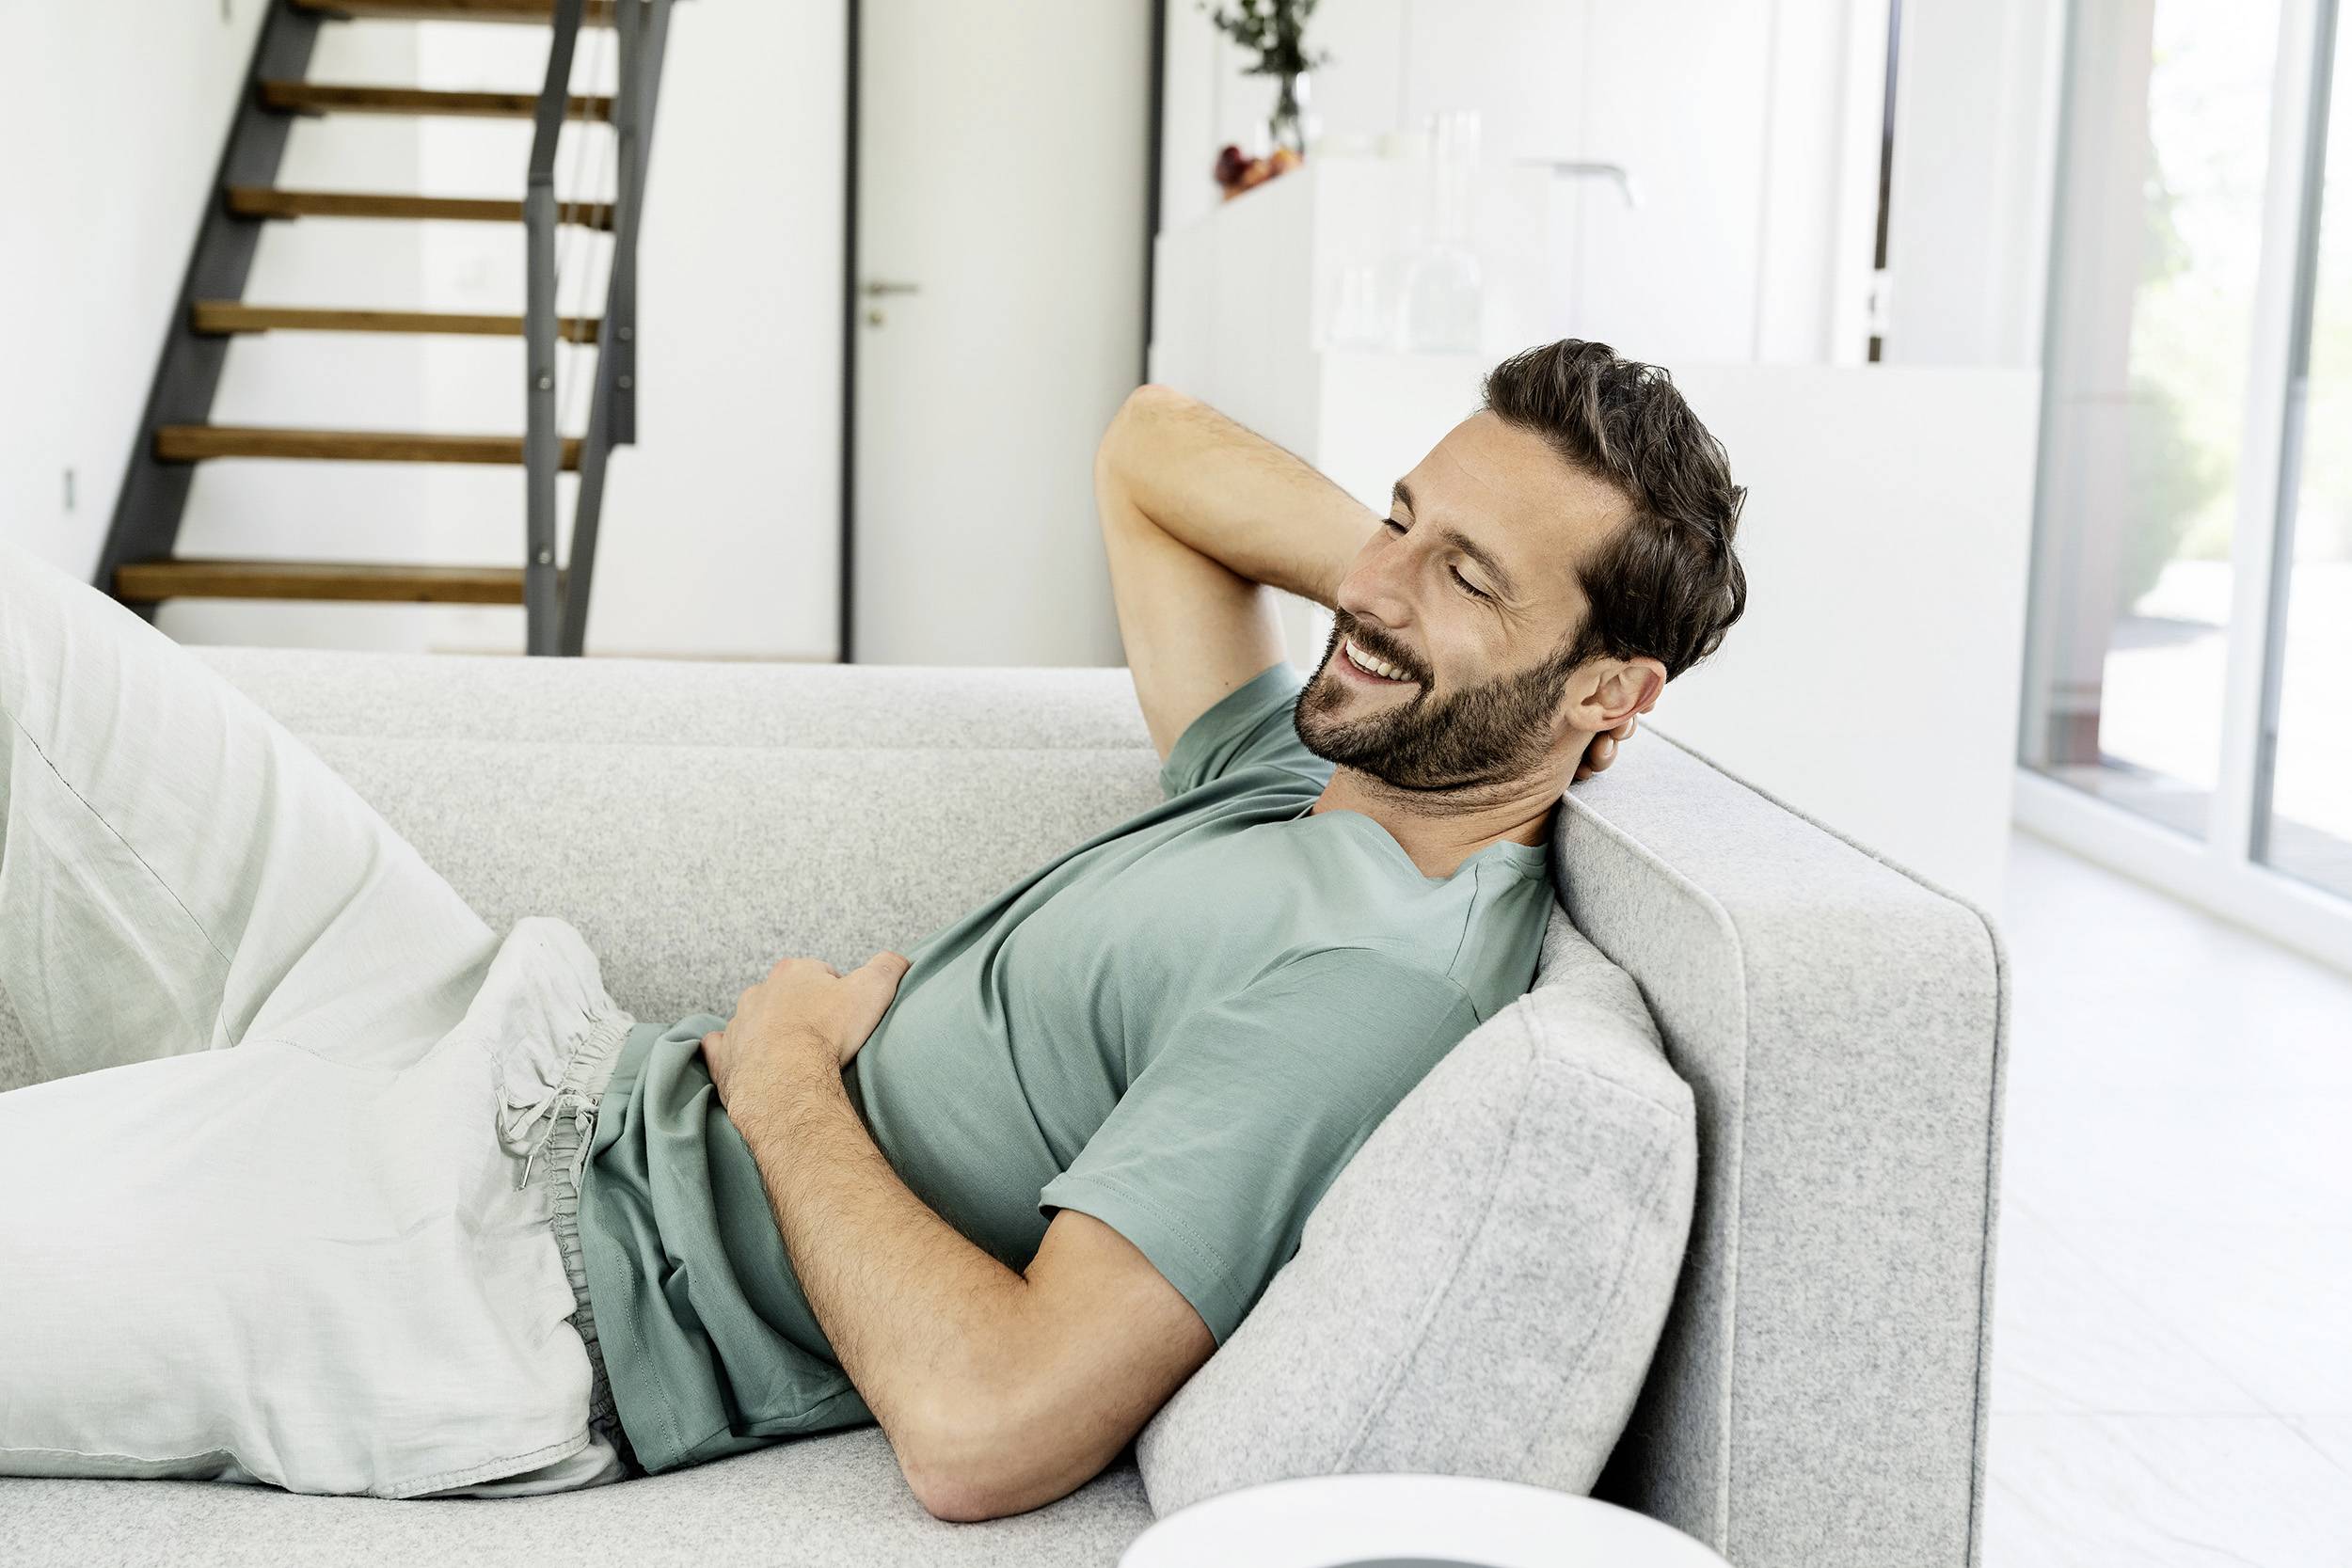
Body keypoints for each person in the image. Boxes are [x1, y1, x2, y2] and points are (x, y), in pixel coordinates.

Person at [0, 338, 1743, 1518]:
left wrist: (778, 1081)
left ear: (1615, 689)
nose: (1373, 584)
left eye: (1472, 577)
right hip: (503, 1039)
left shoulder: (1367, 980)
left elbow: (991, 1428)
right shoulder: (1336, 766)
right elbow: (1149, 452)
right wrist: (1418, 589)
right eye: (1399, 514)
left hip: (508, 1276)